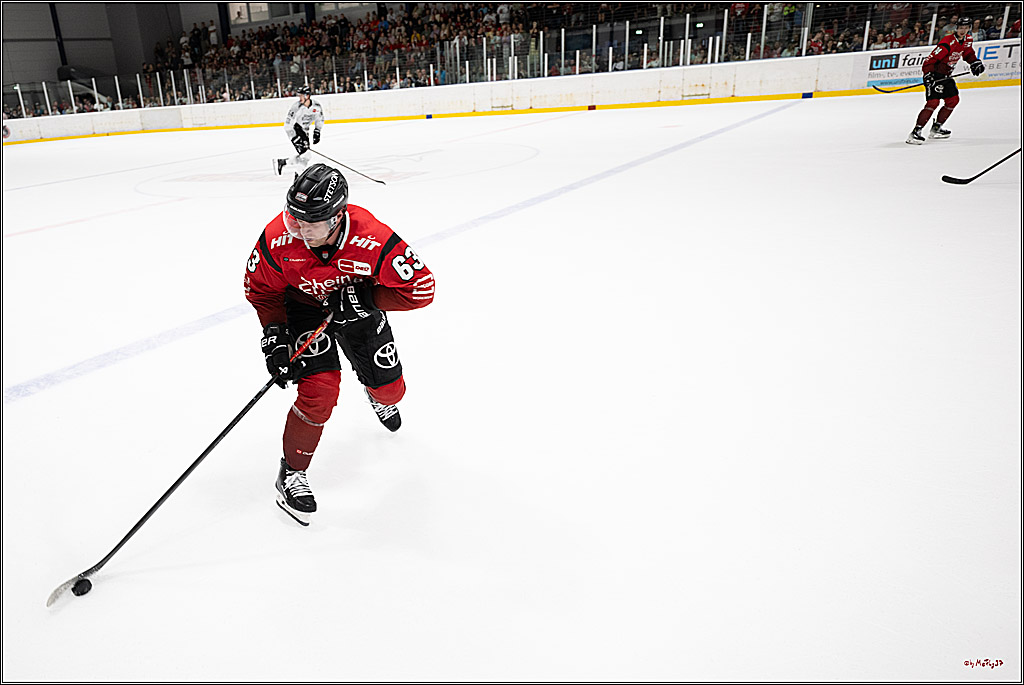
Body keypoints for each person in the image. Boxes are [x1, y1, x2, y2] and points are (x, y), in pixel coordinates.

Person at [243, 163, 435, 525]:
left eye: (309, 223)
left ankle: (376, 393)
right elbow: (261, 290)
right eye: (293, 218)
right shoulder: (278, 238)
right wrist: (274, 337)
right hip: (303, 309)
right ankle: (292, 472)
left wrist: (370, 298)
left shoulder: (373, 239)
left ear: (336, 218)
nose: (297, 229)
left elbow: (422, 289)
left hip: (358, 310)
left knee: (391, 392)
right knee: (321, 390)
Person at [906, 16, 985, 144]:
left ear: (969, 28)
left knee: (953, 100)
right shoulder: (947, 42)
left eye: (965, 28)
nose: (963, 30)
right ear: (956, 28)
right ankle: (916, 132)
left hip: (946, 76)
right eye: (960, 28)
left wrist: (974, 62)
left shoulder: (968, 39)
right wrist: (928, 75)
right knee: (933, 103)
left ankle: (936, 128)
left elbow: (968, 53)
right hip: (934, 75)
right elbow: (930, 61)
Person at [273, 84, 324, 176]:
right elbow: (287, 125)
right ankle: (297, 177)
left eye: (301, 95)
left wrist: (317, 132)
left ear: (307, 96)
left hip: (305, 133)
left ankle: (284, 162)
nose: (299, 97)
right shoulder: (296, 107)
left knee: (305, 156)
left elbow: (319, 120)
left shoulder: (316, 106)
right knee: (306, 155)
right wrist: (294, 138)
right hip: (296, 130)